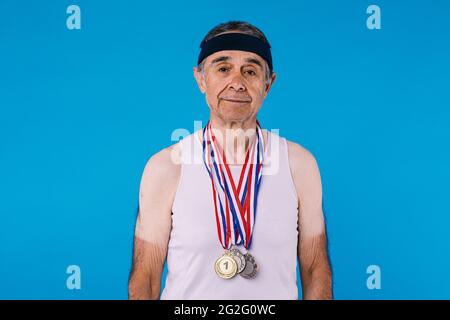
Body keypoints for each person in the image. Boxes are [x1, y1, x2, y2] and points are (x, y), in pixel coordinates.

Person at [128, 21, 332, 300]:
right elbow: (146, 275)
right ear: (201, 79)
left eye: (250, 71)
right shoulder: (167, 166)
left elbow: (314, 268)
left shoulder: (299, 164)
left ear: (268, 83)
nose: (237, 83)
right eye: (223, 69)